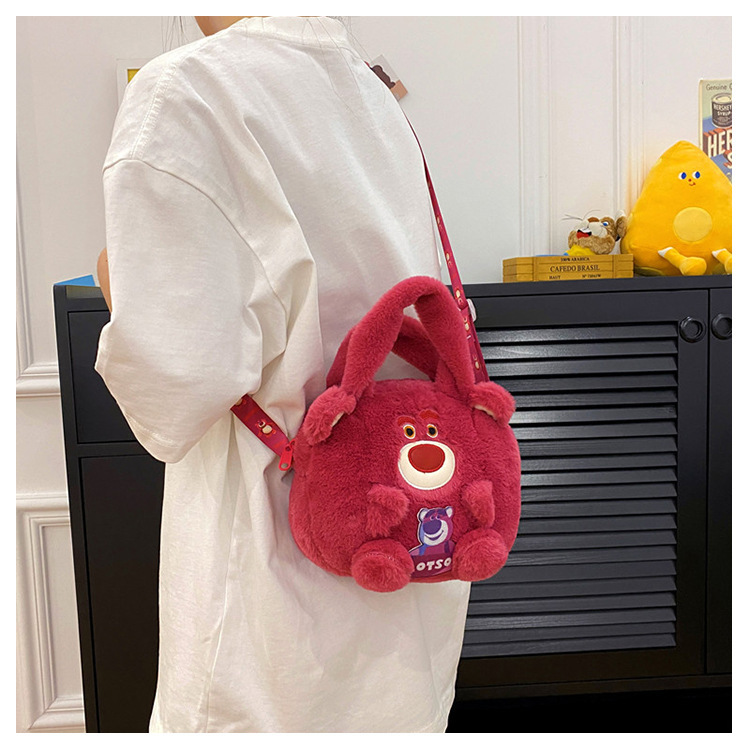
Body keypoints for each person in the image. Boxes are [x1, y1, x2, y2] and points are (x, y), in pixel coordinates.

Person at [95, 16, 471, 733]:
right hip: (414, 568)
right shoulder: (370, 91)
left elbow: (174, 391)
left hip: (270, 612)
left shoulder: (187, 91)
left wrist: (116, 279)